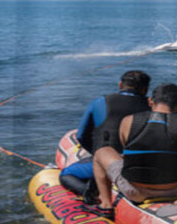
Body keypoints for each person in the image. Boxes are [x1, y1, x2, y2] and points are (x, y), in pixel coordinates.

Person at [90, 83, 177, 217]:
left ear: (150, 101)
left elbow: (127, 152)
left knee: (102, 152)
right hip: (173, 191)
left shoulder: (128, 121)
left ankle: (105, 205)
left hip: (135, 191)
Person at [59, 70, 151, 203]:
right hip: (143, 164)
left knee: (66, 174)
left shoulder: (100, 102)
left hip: (110, 162)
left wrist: (100, 157)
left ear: (120, 85)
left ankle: (92, 195)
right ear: (145, 89)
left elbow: (81, 136)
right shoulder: (153, 107)